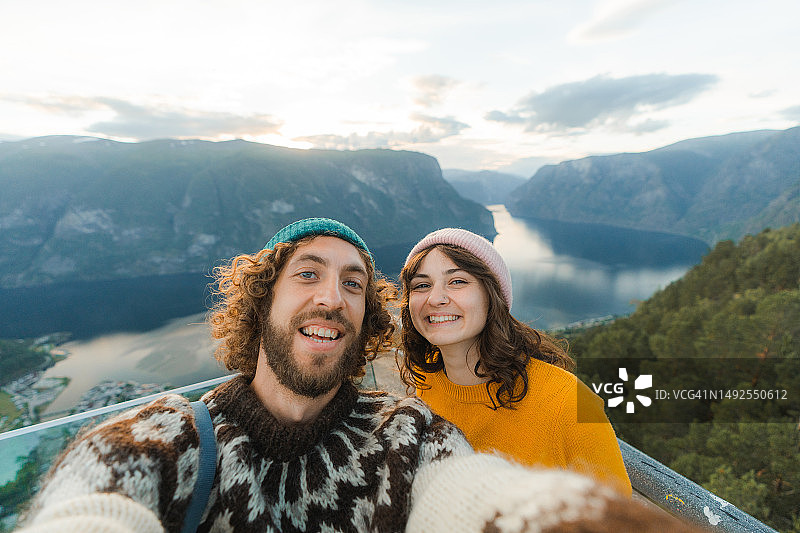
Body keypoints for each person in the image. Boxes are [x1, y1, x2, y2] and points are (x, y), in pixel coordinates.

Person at [18, 218, 699, 533]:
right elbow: (93, 508)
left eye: (353, 283)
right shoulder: (157, 441)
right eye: (307, 273)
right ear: (261, 304)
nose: (330, 296)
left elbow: (457, 490)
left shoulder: (406, 429)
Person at [398, 227, 633, 495]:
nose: (435, 298)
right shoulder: (428, 376)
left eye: (458, 281)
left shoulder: (567, 401)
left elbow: (620, 518)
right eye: (421, 285)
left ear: (492, 296)